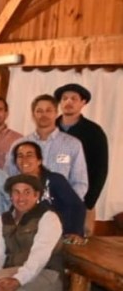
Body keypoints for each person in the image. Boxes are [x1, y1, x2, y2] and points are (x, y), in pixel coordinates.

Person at [6, 94, 87, 201]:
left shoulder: (72, 144)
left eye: (48, 110)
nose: (44, 115)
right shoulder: (20, 144)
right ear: (33, 115)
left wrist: (67, 205)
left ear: (56, 113)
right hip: (26, 208)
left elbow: (80, 183)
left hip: (60, 209)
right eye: (39, 111)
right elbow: (9, 176)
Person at [55, 83, 107, 236]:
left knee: (80, 243)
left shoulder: (94, 132)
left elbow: (100, 169)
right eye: (64, 98)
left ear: (83, 103)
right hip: (52, 200)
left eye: (74, 99)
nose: (68, 102)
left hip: (82, 200)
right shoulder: (50, 128)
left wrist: (89, 203)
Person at [13, 141, 85, 237]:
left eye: (29, 155)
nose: (24, 159)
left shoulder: (55, 180)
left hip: (59, 236)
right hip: (29, 237)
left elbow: (77, 207)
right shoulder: (16, 184)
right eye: (20, 156)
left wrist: (74, 232)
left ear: (39, 160)